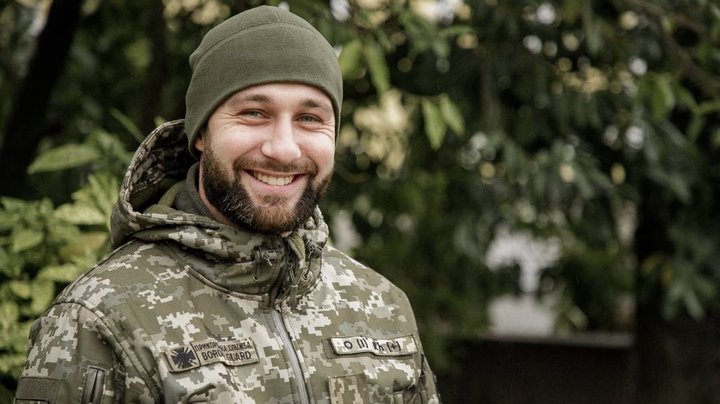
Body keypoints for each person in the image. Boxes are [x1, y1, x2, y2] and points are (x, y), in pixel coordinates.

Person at [15, 5, 439, 403]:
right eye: (254, 113)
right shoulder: (100, 317)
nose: (283, 149)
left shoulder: (384, 308)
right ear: (200, 133)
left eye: (309, 118)